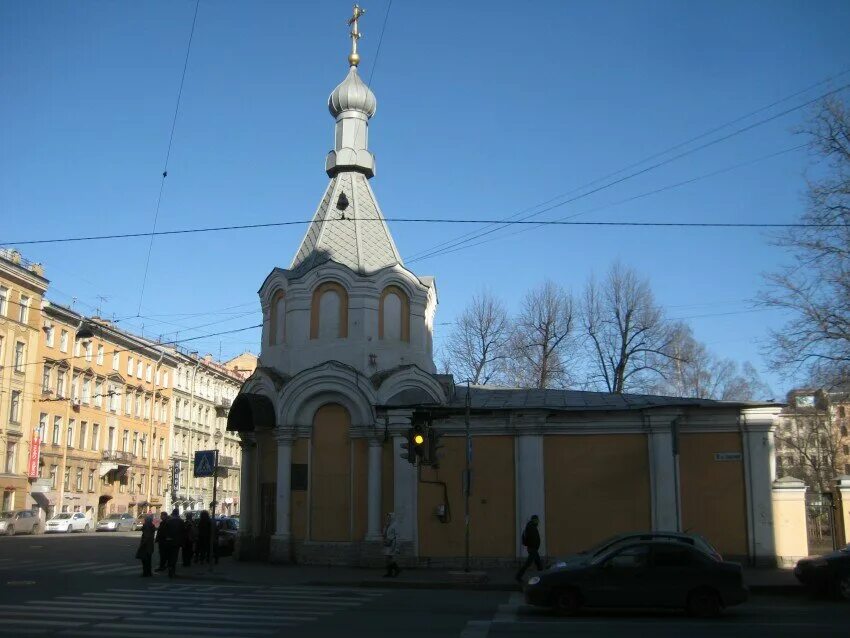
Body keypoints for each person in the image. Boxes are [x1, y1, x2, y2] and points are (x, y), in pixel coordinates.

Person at [516, 514, 543, 583]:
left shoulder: (532, 526)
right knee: (528, 564)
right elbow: (532, 539)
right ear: (533, 520)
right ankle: (518, 576)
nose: (538, 521)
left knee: (539, 564)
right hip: (532, 549)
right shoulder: (531, 527)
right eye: (536, 520)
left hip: (533, 549)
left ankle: (542, 577)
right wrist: (534, 546)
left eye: (537, 520)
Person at [161, 507, 185, 578]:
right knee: (174, 557)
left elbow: (164, 531)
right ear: (177, 513)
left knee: (169, 556)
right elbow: (183, 532)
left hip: (168, 541)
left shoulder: (169, 521)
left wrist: (167, 538)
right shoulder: (180, 521)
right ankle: (172, 571)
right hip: (176, 542)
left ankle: (170, 570)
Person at [382, 512, 400, 577]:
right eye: (388, 517)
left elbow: (397, 535)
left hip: (392, 543)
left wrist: (397, 547)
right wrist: (386, 526)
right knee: (387, 558)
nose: (388, 518)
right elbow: (384, 533)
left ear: (392, 517)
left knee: (389, 558)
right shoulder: (388, 524)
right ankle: (391, 572)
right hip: (387, 543)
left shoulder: (395, 525)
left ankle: (396, 569)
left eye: (389, 516)